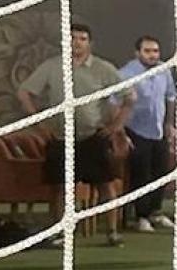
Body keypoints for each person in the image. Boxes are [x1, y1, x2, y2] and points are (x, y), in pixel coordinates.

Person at [17, 22, 127, 247]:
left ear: (90, 43)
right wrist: (40, 124)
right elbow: (24, 93)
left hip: (92, 137)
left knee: (106, 185)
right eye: (72, 38)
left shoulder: (104, 69)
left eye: (82, 38)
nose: (76, 42)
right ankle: (59, 232)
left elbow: (130, 97)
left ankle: (113, 232)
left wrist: (116, 126)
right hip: (59, 137)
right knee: (59, 187)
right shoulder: (51, 67)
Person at [114, 34, 177, 233]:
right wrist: (120, 131)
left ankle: (155, 212)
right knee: (141, 174)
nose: (153, 55)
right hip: (134, 130)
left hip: (158, 130)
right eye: (148, 51)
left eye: (155, 51)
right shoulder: (126, 73)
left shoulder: (164, 70)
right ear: (137, 53)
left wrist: (169, 124)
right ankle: (141, 216)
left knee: (161, 171)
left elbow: (170, 97)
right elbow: (114, 103)